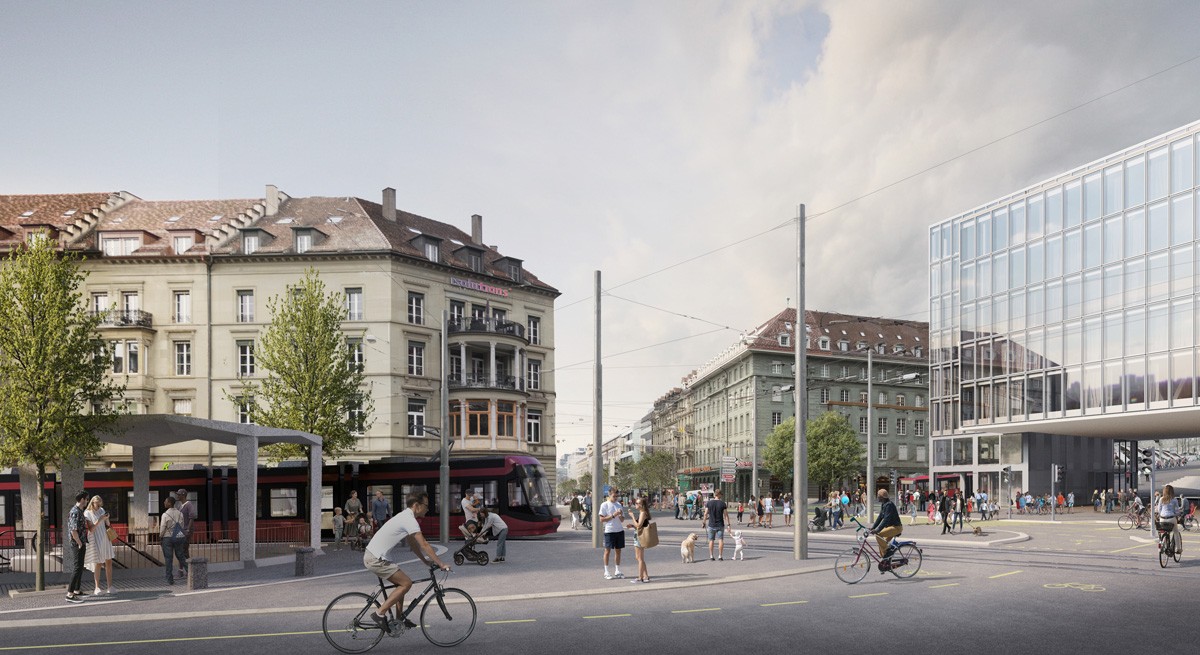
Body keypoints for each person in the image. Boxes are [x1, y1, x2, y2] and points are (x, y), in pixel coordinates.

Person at [362, 492, 450, 633]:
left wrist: (425, 561)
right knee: (406, 583)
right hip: (376, 559)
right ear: (416, 505)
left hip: (376, 556)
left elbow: (413, 544)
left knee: (401, 584)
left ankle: (399, 619)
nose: (428, 509)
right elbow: (425, 544)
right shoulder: (409, 520)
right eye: (426, 505)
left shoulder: (405, 517)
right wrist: (441, 564)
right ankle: (379, 613)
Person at [84, 495, 115, 595]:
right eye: (97, 504)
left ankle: (110, 586)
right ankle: (97, 587)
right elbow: (91, 529)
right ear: (92, 503)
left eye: (100, 504)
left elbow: (108, 525)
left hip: (105, 538)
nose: (98, 506)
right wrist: (100, 519)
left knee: (109, 561)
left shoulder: (102, 510)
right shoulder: (87, 513)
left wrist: (107, 518)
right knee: (98, 563)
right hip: (96, 539)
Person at [65, 492, 91, 603]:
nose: (87, 501)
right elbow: (73, 530)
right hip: (77, 544)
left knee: (80, 567)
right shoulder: (75, 512)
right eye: (86, 499)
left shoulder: (80, 511)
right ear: (81, 500)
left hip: (81, 542)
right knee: (77, 567)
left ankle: (77, 590)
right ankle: (69, 594)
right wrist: (79, 543)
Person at [869, 489, 903, 571]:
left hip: (896, 527)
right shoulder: (884, 504)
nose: (877, 498)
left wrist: (877, 530)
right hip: (891, 528)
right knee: (881, 544)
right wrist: (873, 527)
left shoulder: (889, 505)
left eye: (878, 496)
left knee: (878, 535)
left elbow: (886, 519)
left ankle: (888, 552)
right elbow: (880, 517)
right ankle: (886, 563)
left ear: (882, 497)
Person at [159, 496, 188, 585]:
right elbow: (182, 526)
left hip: (167, 538)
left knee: (168, 559)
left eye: (165, 501)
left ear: (170, 503)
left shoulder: (165, 515)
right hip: (178, 537)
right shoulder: (180, 514)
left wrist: (160, 536)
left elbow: (163, 527)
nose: (164, 503)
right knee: (181, 556)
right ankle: (192, 572)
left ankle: (170, 580)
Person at [599, 488, 625, 579]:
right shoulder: (604, 505)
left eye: (617, 496)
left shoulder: (619, 505)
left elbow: (622, 520)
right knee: (607, 551)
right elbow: (601, 519)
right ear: (609, 495)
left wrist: (620, 515)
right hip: (609, 531)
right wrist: (614, 515)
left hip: (619, 530)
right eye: (614, 496)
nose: (616, 498)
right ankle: (606, 571)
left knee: (618, 551)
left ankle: (617, 570)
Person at [626, 496, 652, 583]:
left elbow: (639, 525)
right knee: (638, 557)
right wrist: (632, 525)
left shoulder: (643, 513)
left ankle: (640, 577)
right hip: (638, 535)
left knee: (640, 558)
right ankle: (646, 576)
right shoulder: (642, 513)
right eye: (635, 503)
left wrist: (632, 516)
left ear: (642, 505)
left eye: (637, 503)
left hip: (640, 537)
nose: (635, 504)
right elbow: (638, 525)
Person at [703, 488, 730, 561]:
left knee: (711, 540)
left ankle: (711, 556)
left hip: (711, 525)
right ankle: (720, 556)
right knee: (720, 540)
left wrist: (703, 522)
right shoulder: (722, 503)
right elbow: (726, 515)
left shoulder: (709, 503)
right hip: (720, 525)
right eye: (721, 494)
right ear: (720, 494)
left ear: (715, 494)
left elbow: (705, 514)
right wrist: (728, 525)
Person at [1156, 484, 1183, 555]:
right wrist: (1177, 514)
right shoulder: (1174, 500)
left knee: (1163, 531)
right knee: (1176, 532)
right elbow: (1177, 511)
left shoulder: (1161, 499)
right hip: (1171, 519)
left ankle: (1162, 544)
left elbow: (1159, 510)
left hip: (1162, 519)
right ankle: (1179, 549)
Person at [175, 488, 195, 579]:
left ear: (183, 495)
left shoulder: (188, 505)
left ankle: (185, 571)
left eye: (178, 494)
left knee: (184, 550)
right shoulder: (180, 505)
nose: (177, 496)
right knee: (181, 550)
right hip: (181, 530)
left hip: (186, 531)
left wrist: (188, 530)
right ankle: (184, 571)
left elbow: (192, 517)